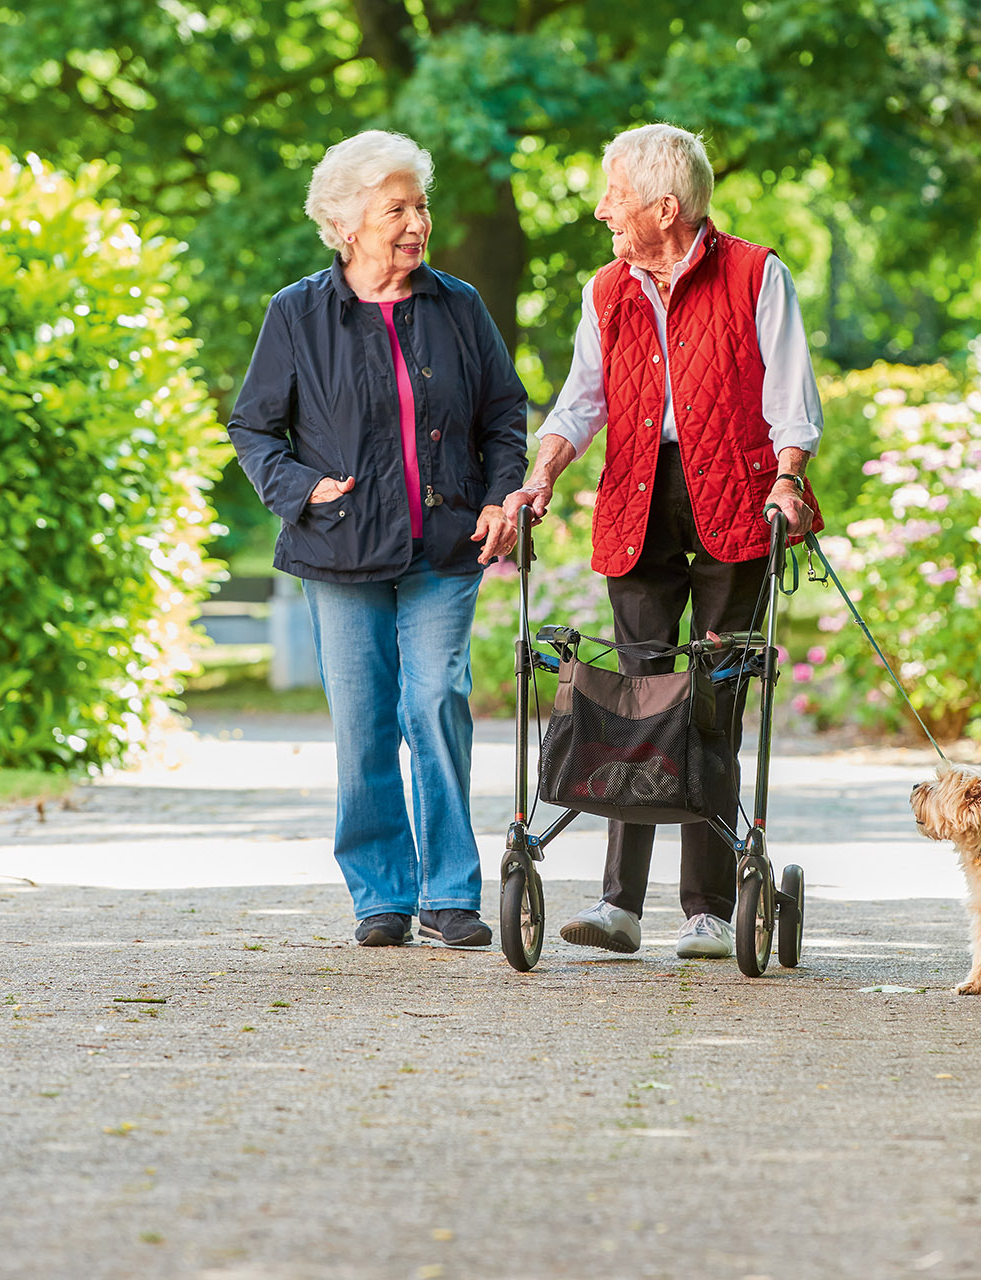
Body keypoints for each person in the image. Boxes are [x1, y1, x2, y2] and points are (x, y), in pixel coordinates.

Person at [502, 123, 823, 960]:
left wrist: (788, 476)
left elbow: (791, 394)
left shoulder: (756, 273)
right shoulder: (607, 289)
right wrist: (542, 476)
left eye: (617, 195)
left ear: (666, 208)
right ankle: (620, 905)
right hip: (638, 494)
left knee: (713, 692)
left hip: (734, 495)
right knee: (635, 691)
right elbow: (581, 400)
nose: (603, 209)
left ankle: (710, 911)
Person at [228, 130, 528, 949]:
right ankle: (381, 894)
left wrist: (504, 496)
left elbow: (504, 413)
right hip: (338, 545)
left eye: (420, 205)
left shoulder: (458, 305)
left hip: (444, 543)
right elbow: (253, 427)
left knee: (434, 702)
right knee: (363, 722)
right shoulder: (295, 313)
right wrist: (299, 489)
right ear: (346, 222)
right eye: (395, 207)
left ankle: (450, 892)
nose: (415, 222)